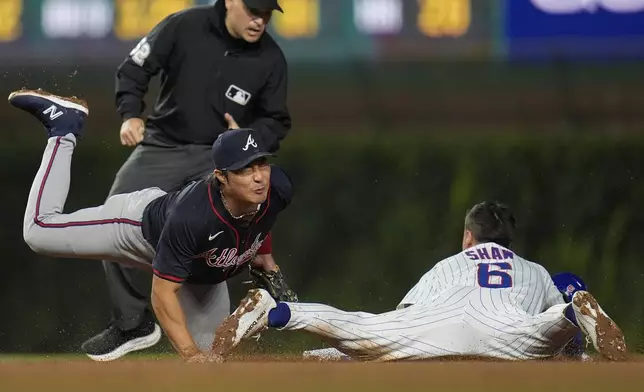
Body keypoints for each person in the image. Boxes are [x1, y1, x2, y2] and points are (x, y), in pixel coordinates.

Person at [10, 89, 297, 363]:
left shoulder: (277, 187)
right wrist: (190, 355)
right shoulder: (194, 216)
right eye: (246, 168)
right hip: (137, 230)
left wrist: (266, 261)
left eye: (261, 164)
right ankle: (64, 129)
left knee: (214, 357)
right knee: (38, 231)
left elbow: (259, 220)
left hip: (197, 268)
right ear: (221, 177)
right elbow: (162, 295)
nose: (259, 176)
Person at [88, 0, 291, 361]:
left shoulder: (270, 59)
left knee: (217, 223)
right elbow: (135, 68)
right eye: (253, 10)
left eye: (266, 13)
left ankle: (226, 320)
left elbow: (276, 121)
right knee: (112, 215)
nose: (260, 20)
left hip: (217, 160)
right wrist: (131, 115)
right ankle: (131, 320)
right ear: (230, 1)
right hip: (163, 144)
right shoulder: (183, 26)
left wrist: (250, 136)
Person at [211, 201, 627, 362]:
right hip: (506, 329)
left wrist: (350, 352)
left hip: (434, 324)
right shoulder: (532, 270)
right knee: (554, 319)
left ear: (468, 238)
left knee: (358, 326)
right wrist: (572, 348)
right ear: (508, 243)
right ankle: (578, 307)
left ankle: (278, 310)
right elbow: (560, 341)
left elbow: (403, 321)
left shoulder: (448, 264)